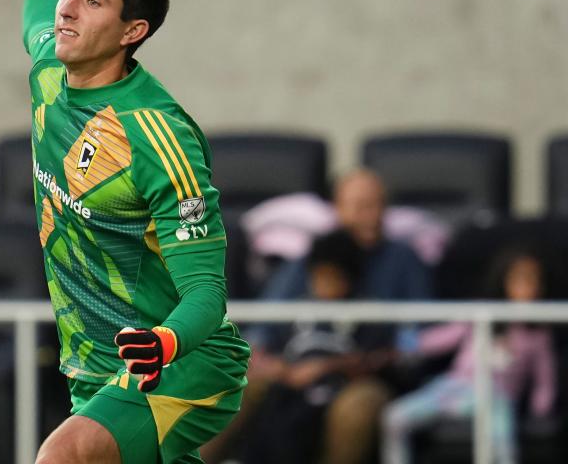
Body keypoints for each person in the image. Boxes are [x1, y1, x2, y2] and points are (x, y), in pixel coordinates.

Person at [12, 0, 250, 463]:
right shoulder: (50, 69)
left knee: (61, 457)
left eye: (92, 1)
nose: (67, 10)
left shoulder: (156, 136)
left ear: (131, 30)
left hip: (179, 362)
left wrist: (161, 343)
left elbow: (205, 294)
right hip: (97, 366)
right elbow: (39, 11)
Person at [202, 168, 433, 464]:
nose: (372, 216)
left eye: (378, 206)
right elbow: (262, 329)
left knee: (355, 408)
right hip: (292, 369)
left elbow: (421, 336)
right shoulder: (308, 260)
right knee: (228, 385)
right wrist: (277, 368)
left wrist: (350, 364)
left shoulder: (403, 259)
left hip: (368, 376)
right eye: (361, 206)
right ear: (337, 210)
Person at [381, 245, 557, 464]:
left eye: (534, 280)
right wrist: (411, 343)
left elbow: (545, 377)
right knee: (394, 417)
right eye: (521, 278)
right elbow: (444, 337)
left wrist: (541, 410)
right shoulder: (481, 314)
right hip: (454, 388)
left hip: (497, 396)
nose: (528, 286)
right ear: (504, 280)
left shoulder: (539, 334)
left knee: (501, 440)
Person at [243, 230, 395, 464]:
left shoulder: (368, 312)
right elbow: (264, 348)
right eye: (319, 276)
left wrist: (322, 367)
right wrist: (279, 369)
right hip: (288, 392)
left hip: (342, 389)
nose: (325, 284)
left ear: (351, 278)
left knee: (355, 408)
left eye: (333, 277)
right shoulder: (296, 309)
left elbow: (375, 359)